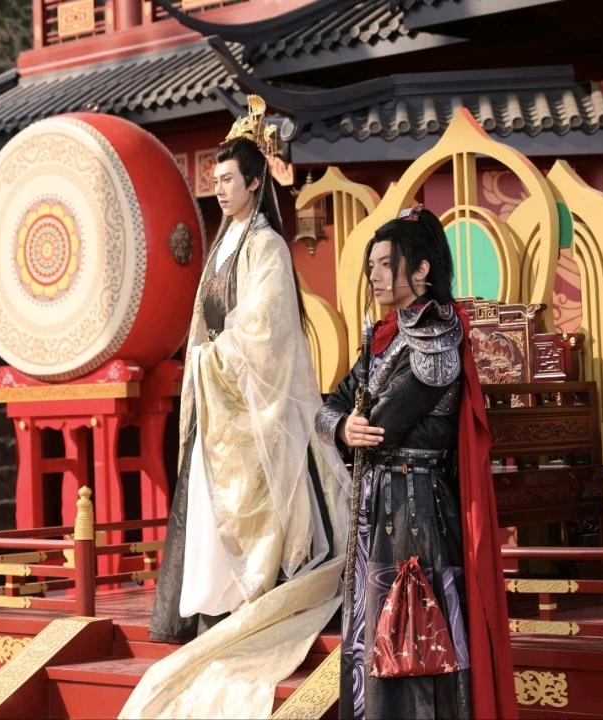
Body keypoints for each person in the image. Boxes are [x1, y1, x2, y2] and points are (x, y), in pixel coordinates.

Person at [122, 96, 348, 719]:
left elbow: (265, 328)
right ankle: (213, 608)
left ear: (253, 183)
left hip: (250, 403)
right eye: (215, 180)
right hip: (220, 400)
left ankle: (253, 597)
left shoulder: (265, 244)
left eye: (228, 179)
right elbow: (206, 321)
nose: (219, 189)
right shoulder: (224, 243)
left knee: (249, 503)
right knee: (206, 499)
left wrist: (211, 358)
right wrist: (203, 360)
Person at [315, 205, 517, 720]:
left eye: (387, 264)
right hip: (380, 500)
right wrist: (341, 427)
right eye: (372, 266)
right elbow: (333, 403)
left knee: (415, 630)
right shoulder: (386, 336)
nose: (375, 276)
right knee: (375, 628)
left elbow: (384, 420)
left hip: (416, 506)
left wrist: (354, 426)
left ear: (422, 269)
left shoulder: (437, 334)